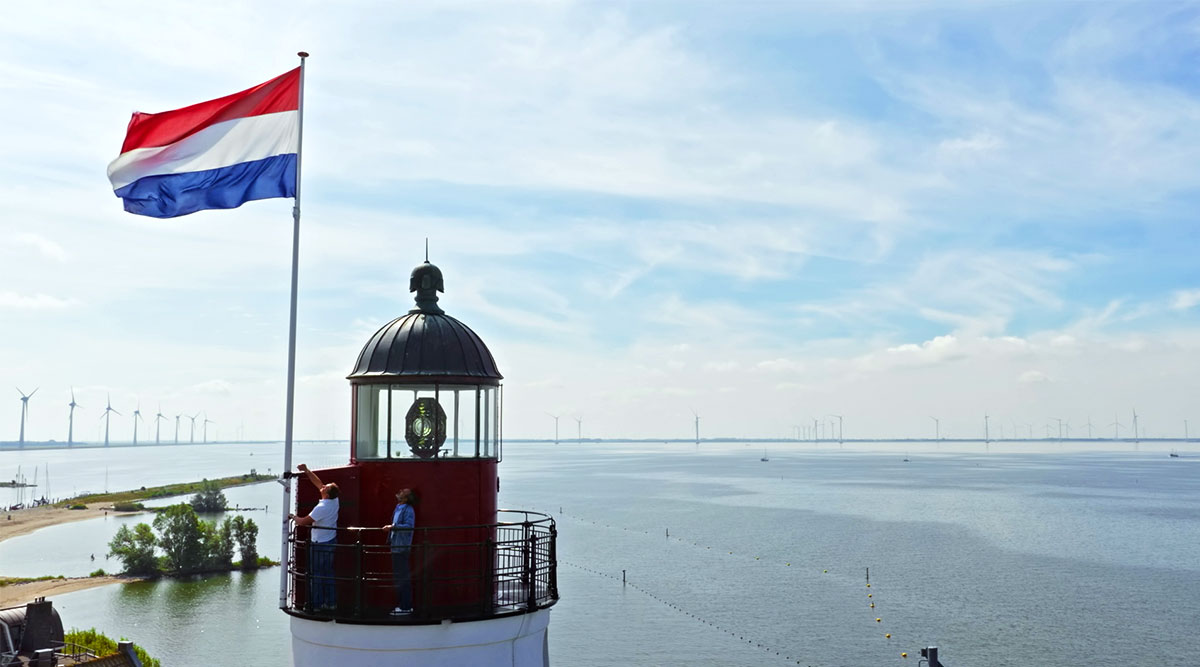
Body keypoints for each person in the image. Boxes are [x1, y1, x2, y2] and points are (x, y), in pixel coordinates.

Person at [289, 463, 340, 611]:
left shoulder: (322, 508)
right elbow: (318, 483)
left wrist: (293, 517)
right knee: (328, 573)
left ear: (327, 494)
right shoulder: (334, 501)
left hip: (320, 544)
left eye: (325, 488)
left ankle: (316, 605)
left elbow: (304, 521)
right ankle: (331, 603)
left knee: (316, 574)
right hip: (331, 540)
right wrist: (306, 470)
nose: (322, 487)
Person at [383, 488, 416, 615]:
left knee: (403, 577)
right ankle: (402, 605)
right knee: (399, 577)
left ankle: (406, 606)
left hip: (402, 547)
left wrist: (393, 527)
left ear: (406, 498)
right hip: (395, 546)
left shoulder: (408, 510)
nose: (400, 492)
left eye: (404, 492)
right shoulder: (398, 507)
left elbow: (409, 526)